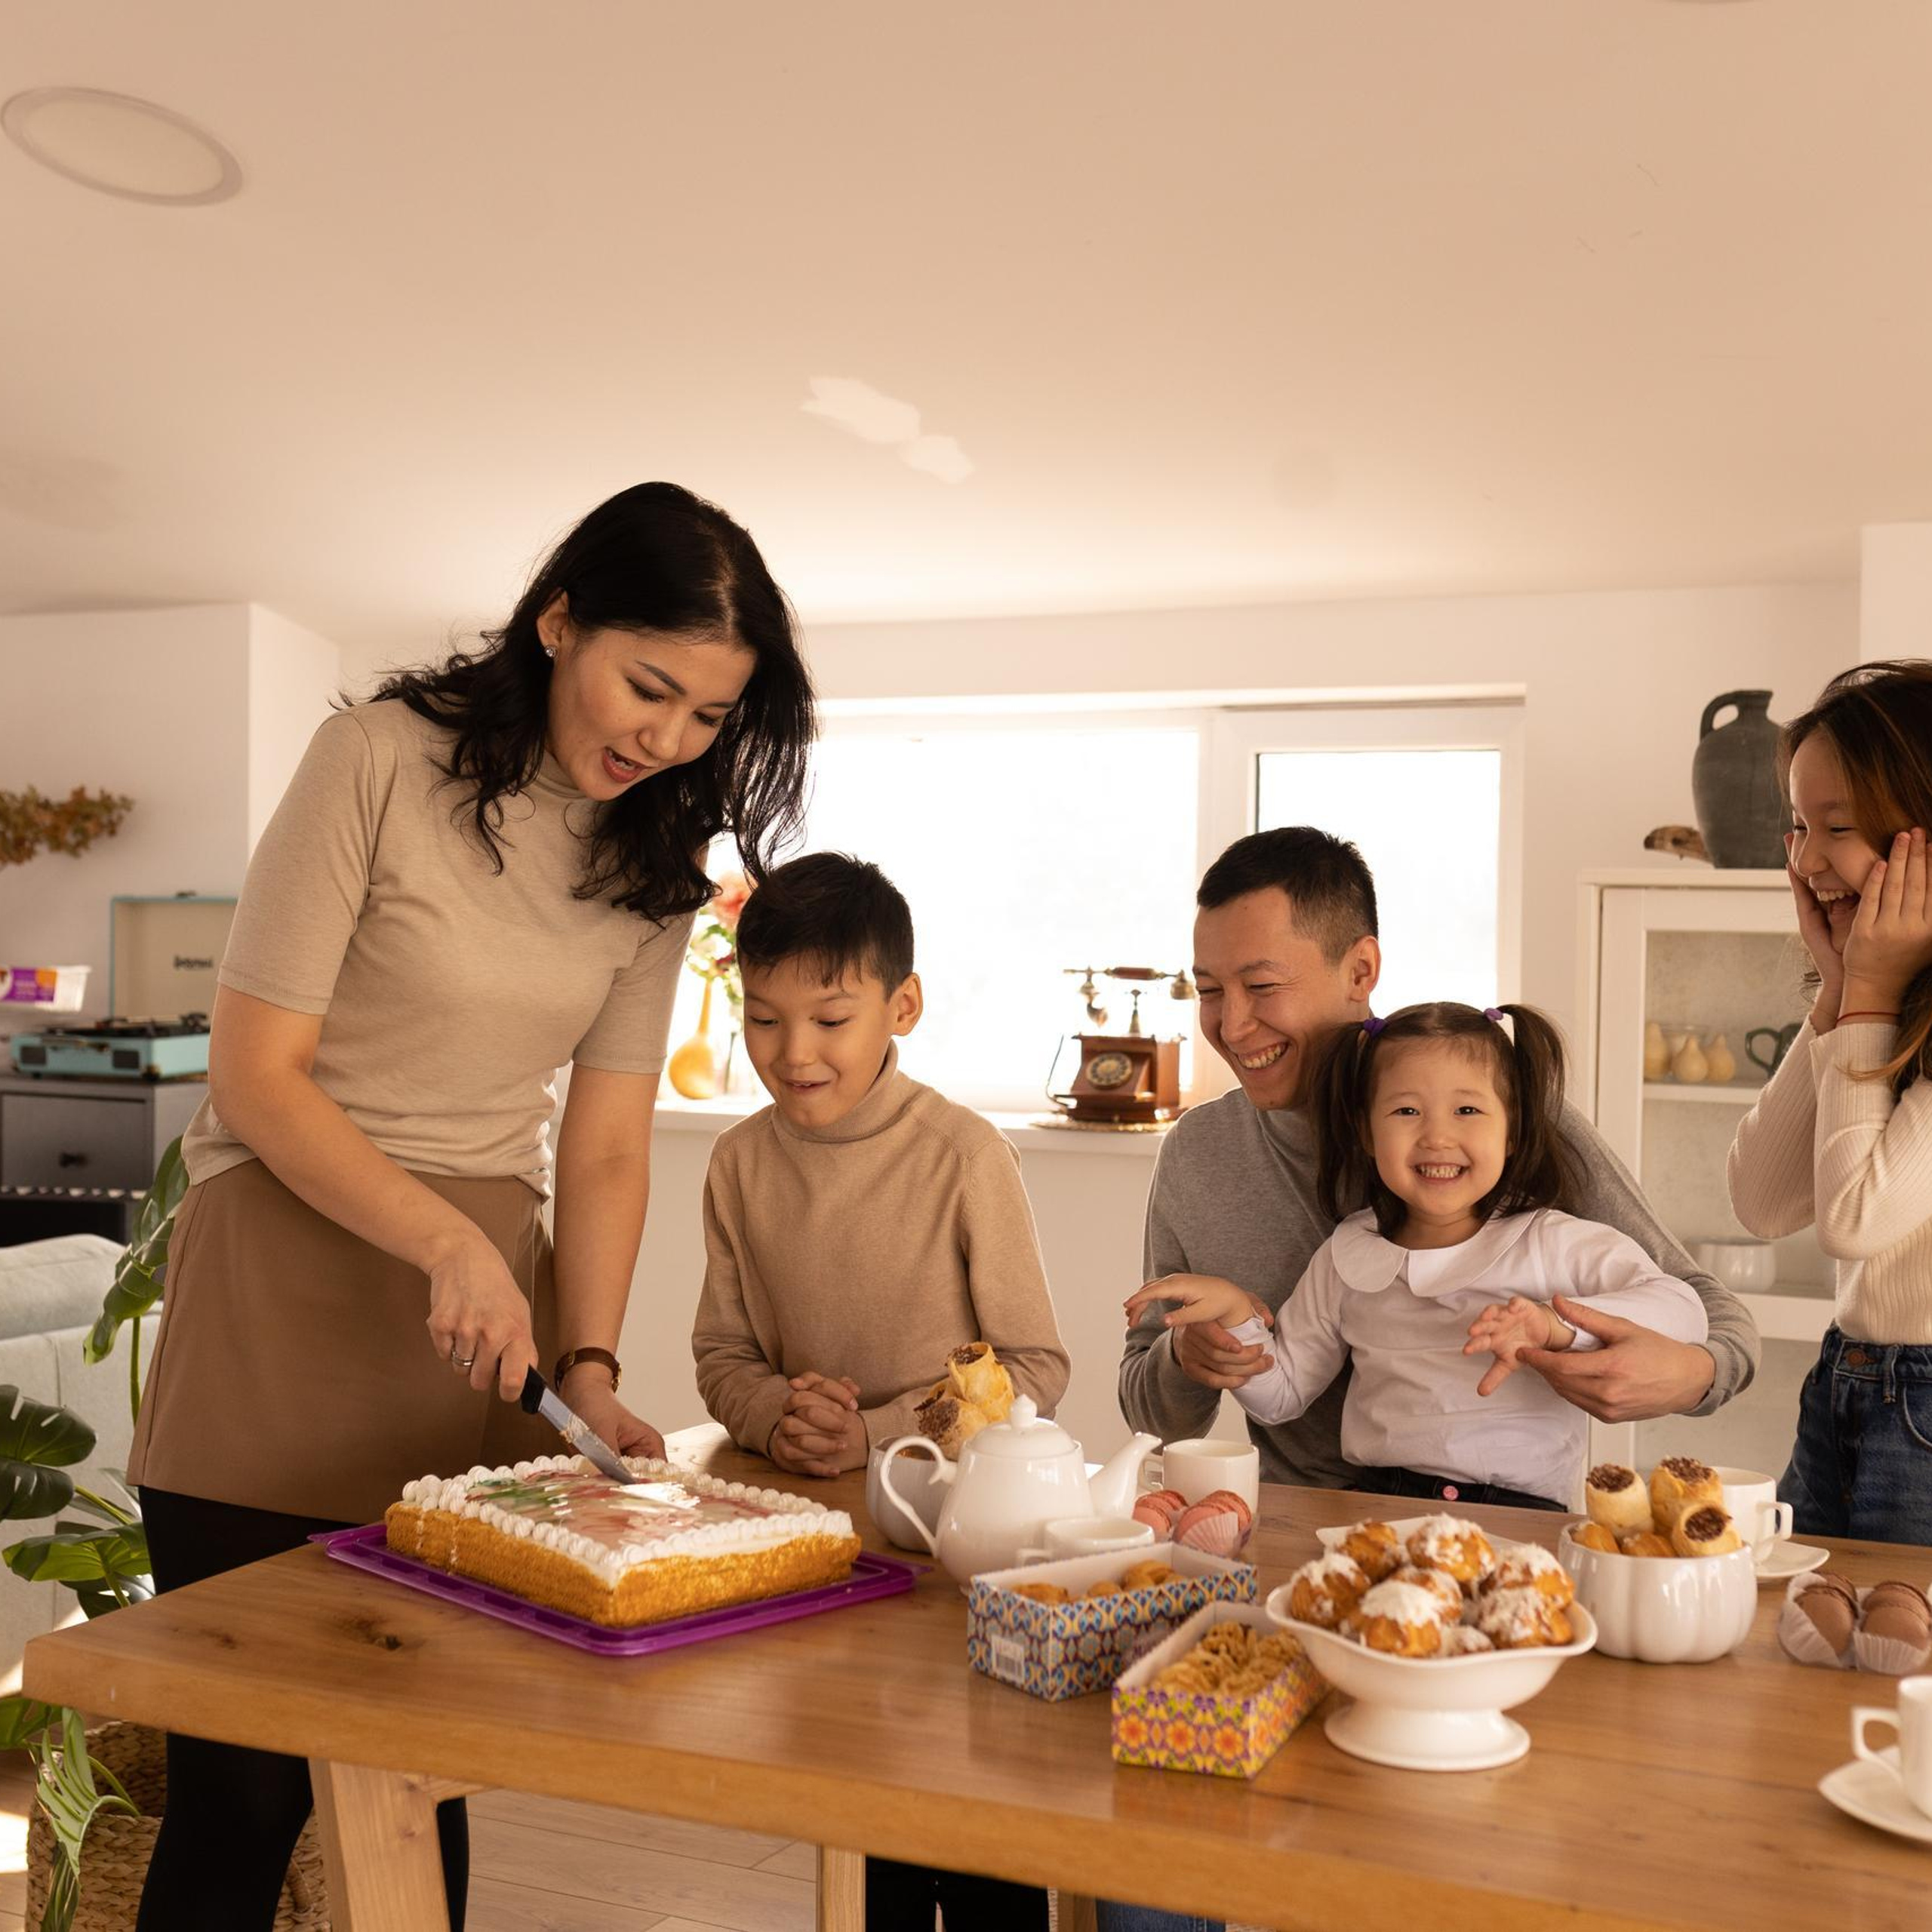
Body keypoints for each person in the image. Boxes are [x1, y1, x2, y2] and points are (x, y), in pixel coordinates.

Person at [127, 481, 815, 1932]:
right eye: (650, 686)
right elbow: (258, 1079)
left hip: (476, 1329)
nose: (669, 739)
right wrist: (446, 1238)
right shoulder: (371, 760)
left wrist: (587, 1366)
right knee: (242, 1789)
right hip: (282, 1285)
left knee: (417, 1771)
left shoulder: (652, 872)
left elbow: (613, 1148)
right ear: (558, 619)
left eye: (708, 715)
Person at [1119, 827, 1760, 1486]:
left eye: (1261, 986)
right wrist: (1194, 1355)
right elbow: (1153, 1413)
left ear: (1361, 970)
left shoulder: (1497, 1119)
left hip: (1505, 1518)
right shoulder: (1201, 1156)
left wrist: (1687, 1374)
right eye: (1210, 992)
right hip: (1311, 1524)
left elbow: (1712, 1315)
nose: (1230, 1027)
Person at [690, 851, 1067, 1930]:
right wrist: (779, 1417)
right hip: (814, 1559)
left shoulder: (963, 1153)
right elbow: (722, 1354)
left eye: (830, 1020)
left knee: (980, 1830)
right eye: (763, 1021)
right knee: (866, 1845)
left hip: (958, 1557)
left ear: (901, 1007)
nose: (792, 1054)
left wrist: (878, 1434)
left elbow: (1033, 1367)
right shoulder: (737, 1164)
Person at [1124, 1002, 1709, 1510]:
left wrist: (1556, 1326)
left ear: (1513, 1130)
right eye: (1406, 1112)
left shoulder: (1553, 1241)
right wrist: (1233, 1316)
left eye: (1468, 1111)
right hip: (1375, 1507)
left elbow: (1684, 1310)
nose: (1436, 1137)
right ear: (1365, 1132)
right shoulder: (1349, 1253)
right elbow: (1282, 1396)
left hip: (1522, 1517)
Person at [1728, 660, 1932, 1544]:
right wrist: (1840, 993)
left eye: (1836, 828)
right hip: (1846, 1384)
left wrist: (1868, 996)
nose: (1805, 861)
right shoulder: (1874, 1010)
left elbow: (1850, 1220)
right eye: (1799, 827)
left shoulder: (1886, 1011)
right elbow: (1762, 1203)